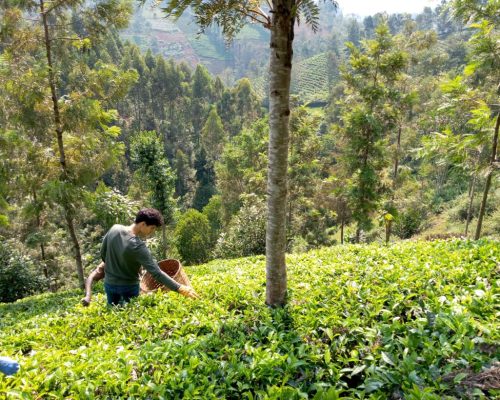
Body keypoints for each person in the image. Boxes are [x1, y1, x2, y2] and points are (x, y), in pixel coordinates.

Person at [86, 208, 198, 306]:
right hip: (128, 287)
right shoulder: (138, 246)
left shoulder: (115, 229)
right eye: (152, 228)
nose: (152, 232)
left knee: (113, 314)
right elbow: (156, 273)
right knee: (130, 317)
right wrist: (180, 288)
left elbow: (103, 254)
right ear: (143, 224)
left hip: (109, 285)